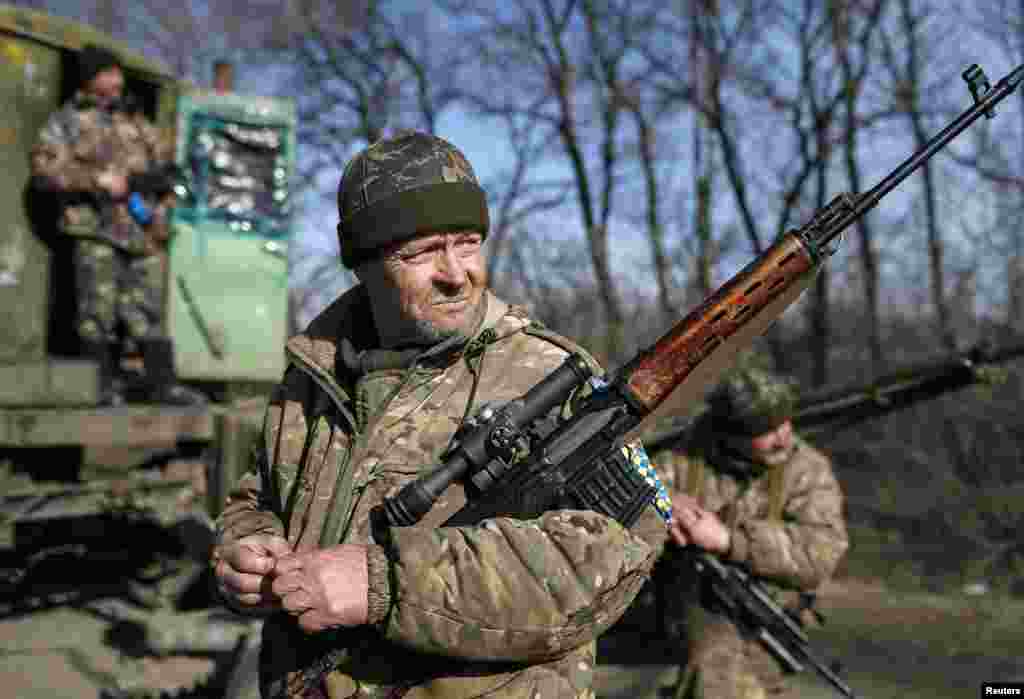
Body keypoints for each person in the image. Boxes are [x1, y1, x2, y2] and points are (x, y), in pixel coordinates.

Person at [212, 130, 672, 699]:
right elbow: (257, 500)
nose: (456, 273)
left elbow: (614, 555)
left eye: (468, 242)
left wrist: (388, 583)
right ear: (364, 263)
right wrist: (245, 553)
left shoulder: (548, 377)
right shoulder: (313, 374)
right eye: (422, 252)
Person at [652, 366, 849, 699]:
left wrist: (730, 540)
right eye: (764, 429)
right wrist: (664, 503)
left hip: (768, 618)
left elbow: (822, 551)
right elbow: (635, 484)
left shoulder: (806, 470)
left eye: (784, 421)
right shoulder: (682, 457)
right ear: (730, 434)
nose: (782, 436)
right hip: (683, 608)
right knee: (717, 671)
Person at [30, 44, 204, 406]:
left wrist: (162, 203)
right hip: (95, 229)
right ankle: (100, 390)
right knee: (97, 312)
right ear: (90, 79)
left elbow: (169, 167)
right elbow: (43, 170)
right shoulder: (68, 120)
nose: (116, 80)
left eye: (117, 73)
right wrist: (97, 179)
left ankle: (162, 386)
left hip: (141, 231)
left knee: (148, 311)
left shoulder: (136, 121)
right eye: (107, 73)